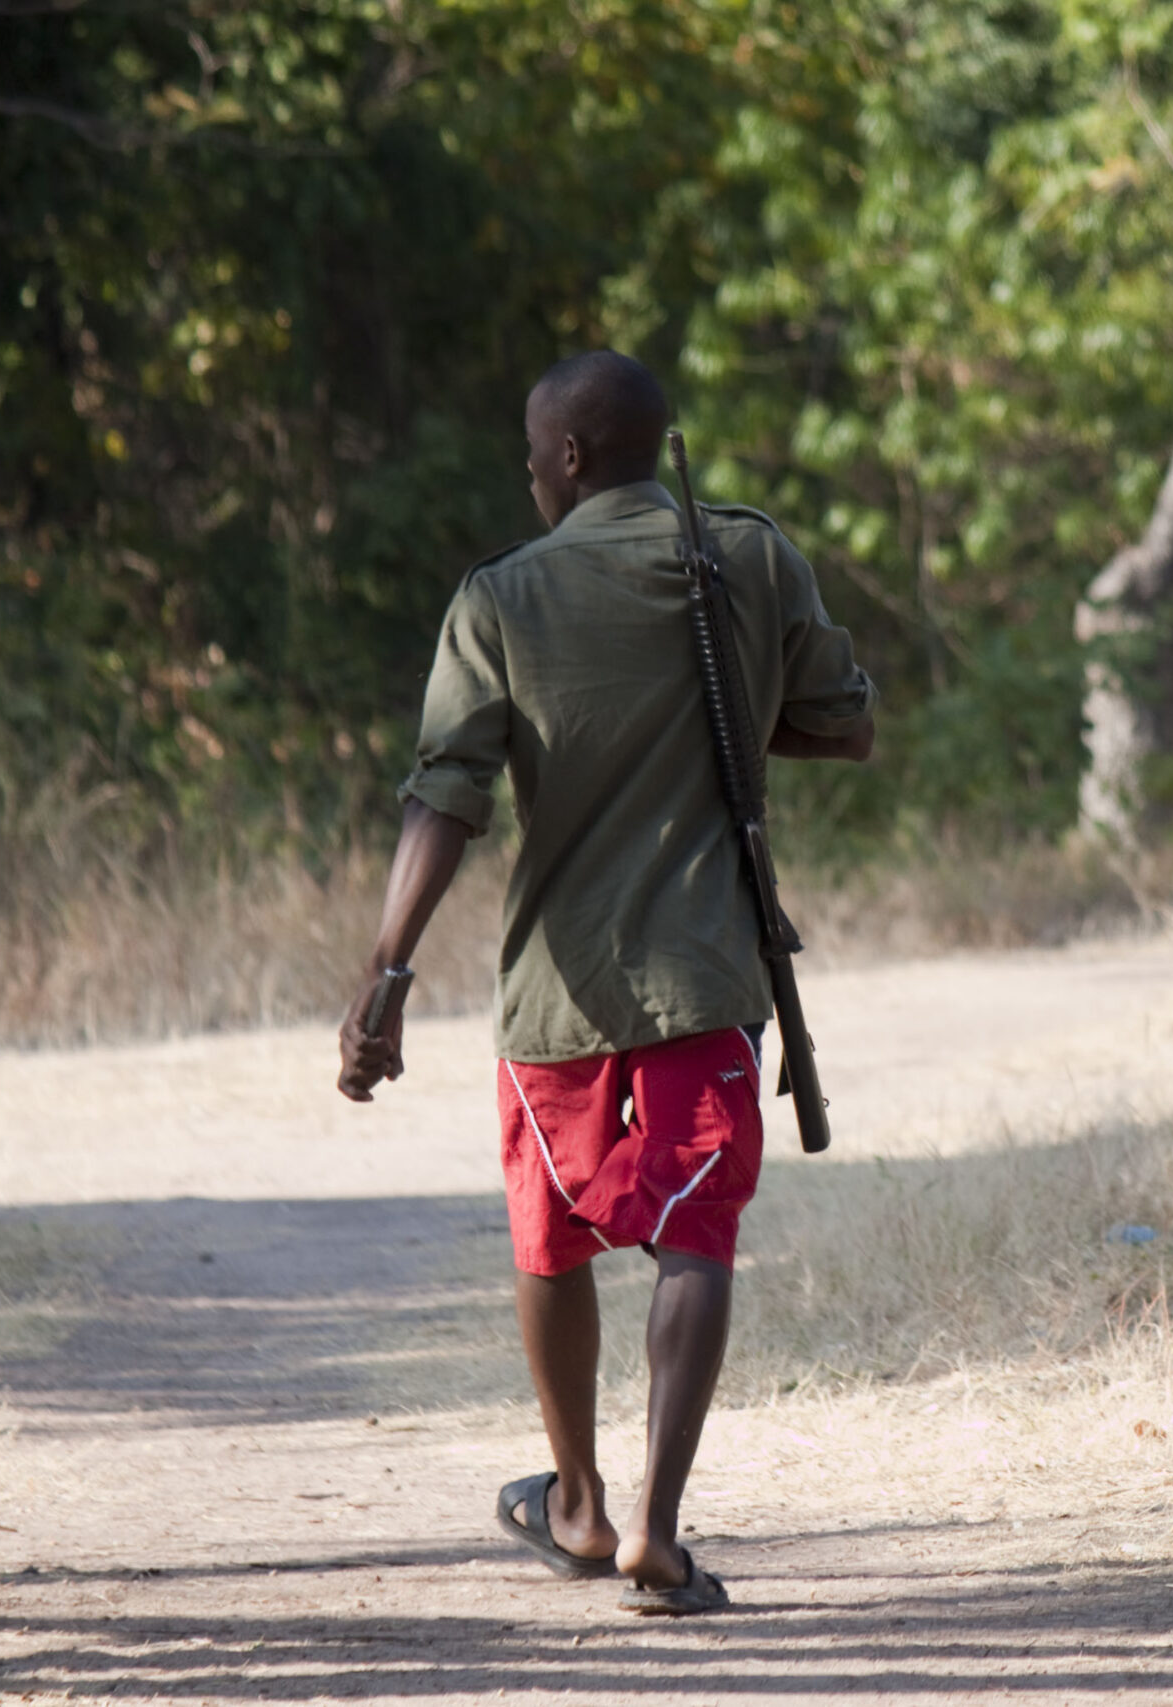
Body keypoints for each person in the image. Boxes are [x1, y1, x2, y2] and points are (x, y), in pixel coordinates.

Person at [335, 350, 876, 1616]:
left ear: (571, 458)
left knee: (550, 1239)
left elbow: (445, 796)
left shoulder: (501, 598)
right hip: (705, 976)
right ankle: (655, 1529)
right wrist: (729, 716)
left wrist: (386, 973)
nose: (529, 477)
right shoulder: (746, 556)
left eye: (534, 457)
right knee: (696, 1237)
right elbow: (845, 723)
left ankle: (572, 1500)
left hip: (556, 997)